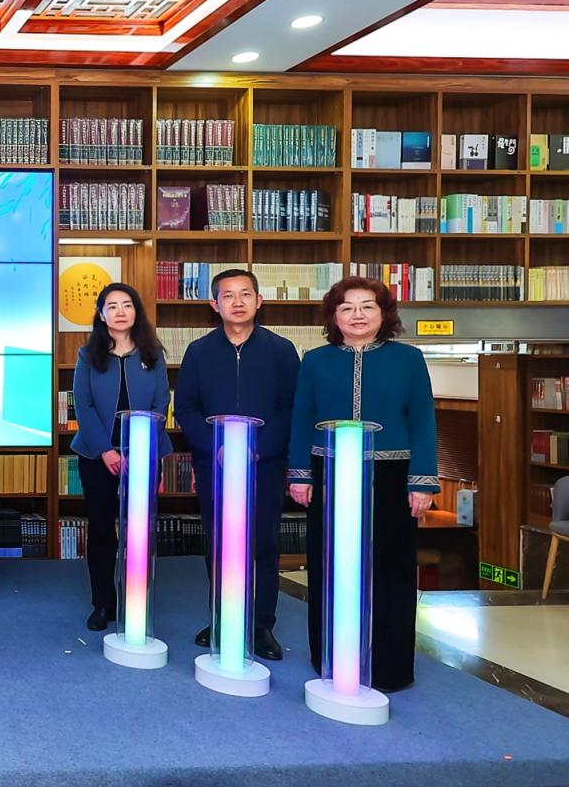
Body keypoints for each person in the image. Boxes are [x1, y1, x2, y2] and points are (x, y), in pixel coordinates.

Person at [289, 276, 437, 692]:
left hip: (392, 475)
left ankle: (390, 667)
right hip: (330, 471)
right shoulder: (315, 360)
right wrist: (299, 474)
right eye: (347, 308)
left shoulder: (409, 359)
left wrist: (422, 482)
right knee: (331, 564)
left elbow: (422, 420)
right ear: (334, 316)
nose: (357, 315)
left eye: (367, 306)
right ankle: (332, 658)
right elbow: (301, 418)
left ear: (384, 313)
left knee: (392, 569)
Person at [174, 269, 299, 660]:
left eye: (246, 294)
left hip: (264, 463)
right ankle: (223, 618)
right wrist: (217, 447)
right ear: (215, 304)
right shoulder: (199, 351)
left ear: (259, 301)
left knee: (263, 543)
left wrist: (256, 448)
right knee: (220, 543)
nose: (238, 302)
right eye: (228, 295)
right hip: (215, 463)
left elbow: (290, 408)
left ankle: (261, 625)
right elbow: (187, 408)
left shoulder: (281, 350)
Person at [71, 283, 173, 631]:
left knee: (139, 531)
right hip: (96, 454)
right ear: (101, 315)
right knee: (101, 528)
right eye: (111, 306)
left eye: (126, 305)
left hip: (144, 452)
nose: (120, 312)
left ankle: (135, 602)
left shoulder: (153, 353)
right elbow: (83, 405)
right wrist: (106, 450)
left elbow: (161, 403)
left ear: (136, 312)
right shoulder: (88, 356)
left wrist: (141, 450)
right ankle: (103, 603)